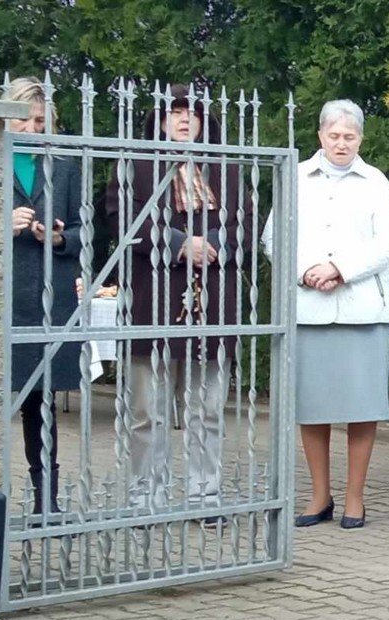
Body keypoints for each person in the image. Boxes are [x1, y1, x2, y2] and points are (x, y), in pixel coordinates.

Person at [107, 84, 248, 522]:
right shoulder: (135, 164)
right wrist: (178, 243)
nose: (185, 119)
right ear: (160, 120)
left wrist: (214, 244)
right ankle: (146, 497)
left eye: (193, 112)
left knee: (207, 409)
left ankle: (205, 496)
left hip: (214, 300)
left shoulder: (225, 168)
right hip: (152, 300)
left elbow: (247, 221)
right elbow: (121, 220)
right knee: (147, 410)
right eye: (176, 112)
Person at [268, 99, 389, 530]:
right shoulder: (296, 177)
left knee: (362, 407)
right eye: (334, 136)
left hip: (362, 310)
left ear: (360, 138)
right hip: (310, 308)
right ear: (320, 136)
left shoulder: (375, 181)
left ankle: (355, 498)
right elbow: (273, 237)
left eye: (350, 136)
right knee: (313, 408)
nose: (342, 143)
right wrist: (306, 271)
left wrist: (340, 269)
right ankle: (319, 495)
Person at [4, 76, 83, 517]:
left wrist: (58, 238)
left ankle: (45, 500)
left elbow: (86, 229)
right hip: (0, 298)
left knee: (41, 404)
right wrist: (0, 222)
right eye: (26, 120)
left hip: (47, 299)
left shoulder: (64, 165)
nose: (33, 130)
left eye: (40, 122)